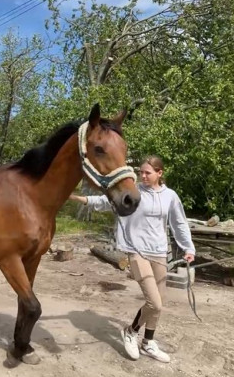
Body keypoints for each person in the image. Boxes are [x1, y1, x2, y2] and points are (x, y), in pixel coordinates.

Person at [69, 155, 195, 363]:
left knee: (159, 302)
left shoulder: (170, 196)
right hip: (136, 251)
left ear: (159, 173)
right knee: (154, 302)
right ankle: (130, 331)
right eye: (141, 172)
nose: (143, 176)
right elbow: (103, 201)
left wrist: (188, 247)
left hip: (159, 252)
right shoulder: (132, 192)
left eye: (147, 173)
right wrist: (74, 197)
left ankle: (148, 343)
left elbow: (179, 223)